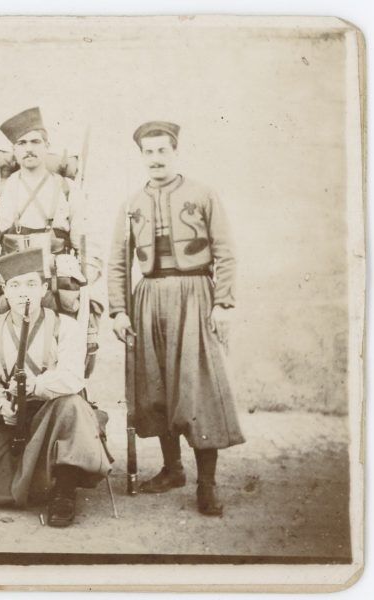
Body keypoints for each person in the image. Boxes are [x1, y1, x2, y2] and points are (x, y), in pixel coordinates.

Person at [107, 120, 245, 516]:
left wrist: (223, 303)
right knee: (156, 385)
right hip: (148, 297)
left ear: (175, 151)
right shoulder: (132, 203)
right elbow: (118, 262)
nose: (155, 158)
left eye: (162, 150)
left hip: (196, 294)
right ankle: (172, 469)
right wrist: (118, 310)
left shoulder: (203, 194)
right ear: (141, 157)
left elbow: (226, 251)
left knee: (197, 386)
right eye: (148, 152)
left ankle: (207, 483)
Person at [0, 248, 112, 527]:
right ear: (4, 291)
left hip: (54, 415)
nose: (24, 293)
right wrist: (0, 404)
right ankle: (38, 480)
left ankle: (64, 491)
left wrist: (35, 386)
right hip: (8, 419)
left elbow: (72, 377)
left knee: (71, 405)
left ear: (44, 288)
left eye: (31, 284)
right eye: (15, 285)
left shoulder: (64, 327)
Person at [0, 107, 105, 375]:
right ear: (14, 150)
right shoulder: (4, 191)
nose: (29, 149)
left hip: (57, 282)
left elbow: (87, 241)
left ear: (47, 146)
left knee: (61, 349)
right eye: (21, 143)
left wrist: (83, 280)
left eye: (35, 141)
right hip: (15, 281)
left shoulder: (67, 189)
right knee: (14, 350)